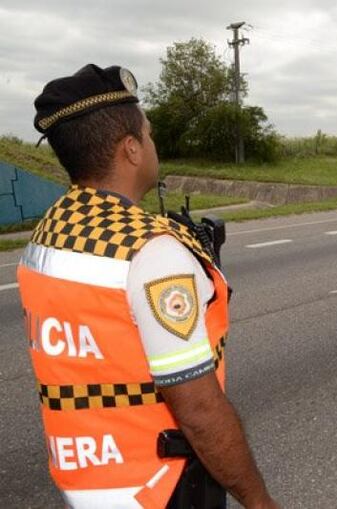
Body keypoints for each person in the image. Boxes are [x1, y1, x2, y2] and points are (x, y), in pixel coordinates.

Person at [17, 64, 278, 509]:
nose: (154, 145)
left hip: (86, 477)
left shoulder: (50, 231)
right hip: (157, 484)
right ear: (132, 150)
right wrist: (259, 501)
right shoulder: (150, 252)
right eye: (150, 135)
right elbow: (197, 411)